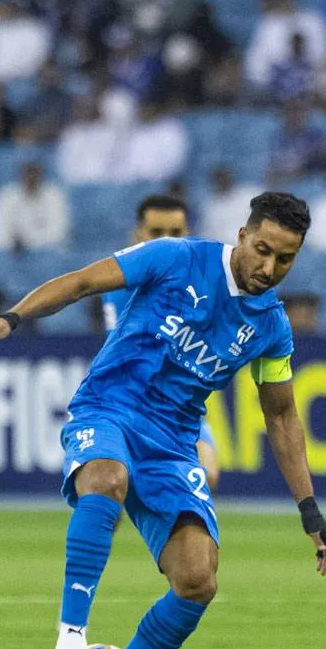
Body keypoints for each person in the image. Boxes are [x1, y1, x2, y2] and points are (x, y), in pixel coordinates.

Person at [0, 192, 326, 649]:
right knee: (107, 478)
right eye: (263, 250)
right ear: (243, 236)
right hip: (109, 408)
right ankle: (71, 638)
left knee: (198, 579)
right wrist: (13, 318)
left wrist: (309, 507)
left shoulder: (272, 328)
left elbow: (281, 417)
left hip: (172, 443)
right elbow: (82, 282)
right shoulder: (174, 257)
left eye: (286, 259)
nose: (269, 267)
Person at [100, 194, 224, 497]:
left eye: (176, 233)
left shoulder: (208, 285)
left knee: (208, 476)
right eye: (156, 233)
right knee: (105, 494)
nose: (167, 242)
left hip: (180, 410)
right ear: (137, 236)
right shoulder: (121, 287)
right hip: (126, 407)